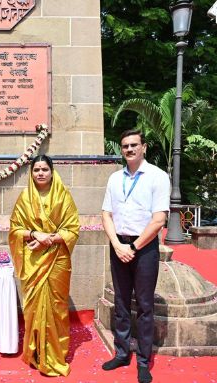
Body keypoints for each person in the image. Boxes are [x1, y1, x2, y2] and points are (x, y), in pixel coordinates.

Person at [99, 129, 170, 383]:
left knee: (144, 305)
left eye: (134, 145)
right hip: (119, 245)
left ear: (144, 147)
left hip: (144, 248)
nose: (129, 149)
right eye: (125, 146)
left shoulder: (157, 177)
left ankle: (143, 360)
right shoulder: (114, 179)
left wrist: (134, 247)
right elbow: (106, 214)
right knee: (120, 303)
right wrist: (117, 244)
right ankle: (121, 352)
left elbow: (159, 219)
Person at [8, 154, 78, 377]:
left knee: (56, 307)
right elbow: (14, 230)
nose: (40, 173)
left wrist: (50, 239)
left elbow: (73, 229)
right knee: (33, 308)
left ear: (52, 171)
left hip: (57, 259)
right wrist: (34, 233)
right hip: (34, 261)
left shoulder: (63, 197)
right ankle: (36, 351)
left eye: (44, 169)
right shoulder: (24, 199)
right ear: (31, 173)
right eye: (36, 169)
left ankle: (56, 354)